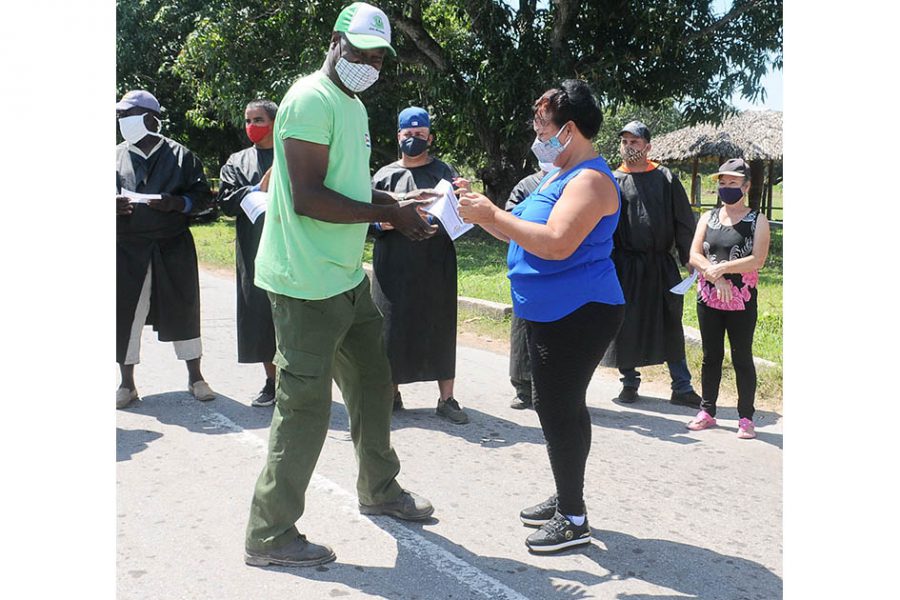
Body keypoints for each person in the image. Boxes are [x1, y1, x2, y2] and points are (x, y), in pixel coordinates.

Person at [243, 2, 439, 569]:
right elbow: (308, 198)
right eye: (358, 52)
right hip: (305, 282)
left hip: (346, 277)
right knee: (303, 408)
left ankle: (379, 488)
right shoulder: (310, 99)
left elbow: (346, 186)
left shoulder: (351, 105)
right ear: (335, 41)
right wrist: (390, 217)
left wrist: (395, 203)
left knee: (375, 384)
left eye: (377, 57)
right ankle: (269, 532)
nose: (367, 64)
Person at [458, 80, 625, 554]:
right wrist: (480, 213)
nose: (536, 131)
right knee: (561, 405)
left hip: (579, 311)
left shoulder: (590, 179)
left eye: (541, 123)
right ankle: (568, 494)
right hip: (549, 309)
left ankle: (573, 518)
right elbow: (525, 236)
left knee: (555, 407)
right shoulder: (557, 173)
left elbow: (555, 242)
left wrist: (493, 212)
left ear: (568, 129)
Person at [115, 89, 217, 409]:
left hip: (173, 245)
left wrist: (178, 203)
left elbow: (204, 200)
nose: (120, 121)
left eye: (126, 115)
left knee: (184, 309)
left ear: (149, 118)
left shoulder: (181, 156)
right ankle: (127, 384)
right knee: (124, 315)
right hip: (128, 248)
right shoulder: (113, 156)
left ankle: (196, 377)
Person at [371, 106, 469, 424]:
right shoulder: (383, 176)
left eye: (420, 134)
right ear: (398, 136)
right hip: (392, 265)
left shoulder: (445, 173)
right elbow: (363, 218)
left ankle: (447, 398)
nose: (413, 138)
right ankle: (390, 392)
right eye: (408, 134)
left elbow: (461, 216)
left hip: (435, 263)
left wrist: (462, 201)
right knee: (390, 328)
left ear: (430, 137)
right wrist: (381, 224)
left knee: (440, 326)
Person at [599, 120, 702, 408]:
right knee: (625, 322)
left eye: (635, 141)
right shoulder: (611, 179)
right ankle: (629, 383)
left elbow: (683, 220)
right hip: (624, 264)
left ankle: (681, 386)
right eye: (625, 142)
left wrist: (689, 257)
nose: (629, 146)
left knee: (670, 320)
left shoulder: (665, 177)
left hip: (660, 264)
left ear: (648, 146)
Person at [686, 158, 770, 439]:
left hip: (742, 300)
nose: (726, 187)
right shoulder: (707, 218)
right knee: (711, 356)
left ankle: (746, 416)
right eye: (722, 182)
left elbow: (757, 260)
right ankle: (707, 411)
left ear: (745, 186)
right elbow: (694, 255)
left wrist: (724, 268)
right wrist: (716, 276)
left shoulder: (757, 221)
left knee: (741, 357)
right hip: (709, 297)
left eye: (733, 182)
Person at [217, 99, 279, 407]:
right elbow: (226, 202)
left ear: (275, 123)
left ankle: (299, 383)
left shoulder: (292, 155)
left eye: (258, 119)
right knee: (259, 315)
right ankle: (272, 381)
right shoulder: (237, 161)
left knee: (293, 317)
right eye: (248, 120)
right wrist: (256, 189)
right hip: (253, 246)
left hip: (290, 248)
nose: (251, 126)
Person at [504, 162, 553, 410]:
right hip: (527, 267)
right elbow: (508, 221)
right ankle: (523, 388)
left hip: (558, 268)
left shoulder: (572, 184)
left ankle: (555, 390)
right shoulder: (526, 186)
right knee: (523, 329)